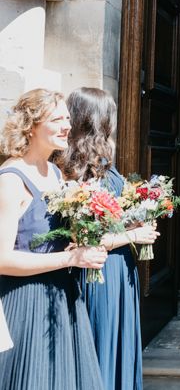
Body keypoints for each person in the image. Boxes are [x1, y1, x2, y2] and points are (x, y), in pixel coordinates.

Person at [0, 89, 107, 389]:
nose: (67, 126)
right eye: (56, 119)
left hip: (63, 298)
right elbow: (2, 260)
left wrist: (83, 241)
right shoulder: (10, 180)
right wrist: (70, 258)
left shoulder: (57, 175)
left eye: (68, 118)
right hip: (26, 302)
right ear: (30, 126)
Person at [59, 87, 159, 390]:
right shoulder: (74, 169)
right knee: (101, 345)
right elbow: (83, 238)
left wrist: (137, 212)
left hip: (119, 270)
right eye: (109, 115)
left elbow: (110, 216)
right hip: (97, 273)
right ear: (96, 119)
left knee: (119, 339)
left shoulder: (102, 160)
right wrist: (134, 234)